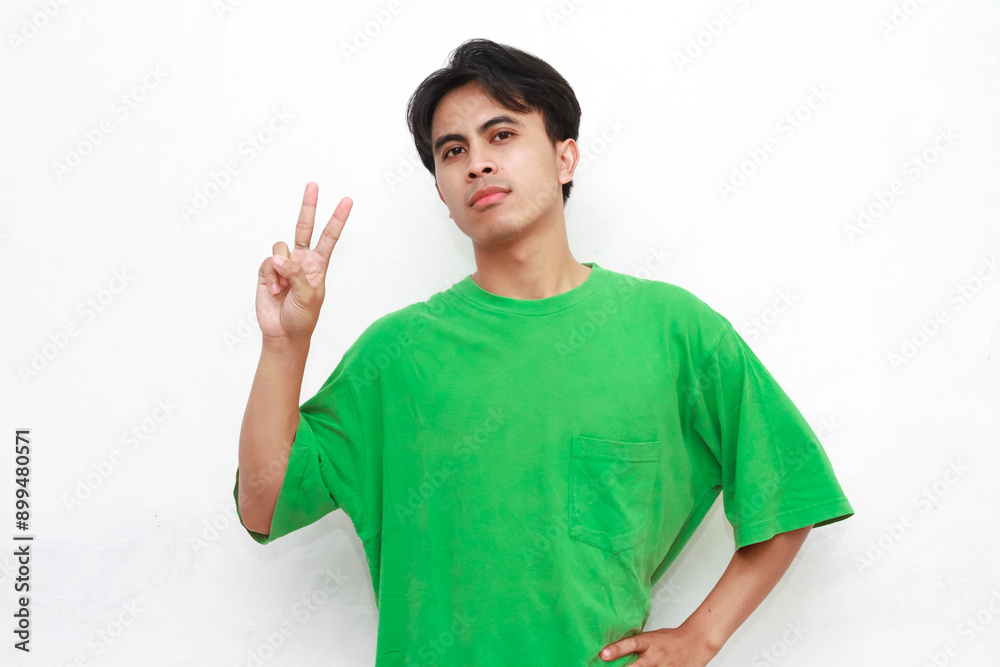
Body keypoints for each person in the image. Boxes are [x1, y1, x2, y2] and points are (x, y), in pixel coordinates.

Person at [234, 38, 855, 667]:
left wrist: (701, 637)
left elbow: (791, 487)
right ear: (442, 194)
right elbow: (264, 503)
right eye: (453, 151)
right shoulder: (396, 355)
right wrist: (285, 343)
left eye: (501, 135)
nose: (477, 163)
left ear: (565, 157)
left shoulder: (673, 331)